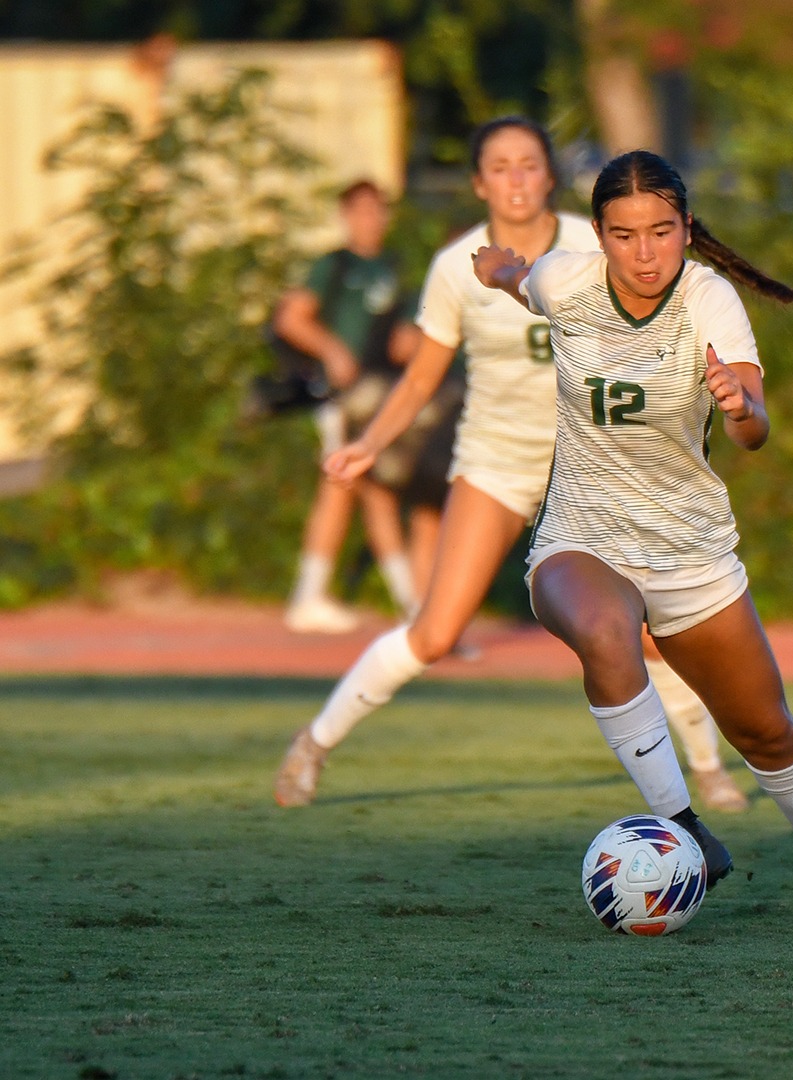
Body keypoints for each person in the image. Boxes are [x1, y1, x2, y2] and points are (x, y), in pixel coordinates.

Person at [468, 148, 793, 914]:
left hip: (688, 548)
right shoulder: (566, 280)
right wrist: (499, 267)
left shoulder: (708, 299)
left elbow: (755, 430)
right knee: (607, 629)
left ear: (687, 228)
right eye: (625, 234)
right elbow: (519, 280)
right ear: (600, 236)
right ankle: (682, 829)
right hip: (582, 534)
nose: (646, 252)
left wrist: (741, 408)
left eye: (663, 231)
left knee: (766, 733)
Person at [273, 120, 747, 815]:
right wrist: (370, 444)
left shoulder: (596, 242)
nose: (516, 179)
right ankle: (313, 744)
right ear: (478, 183)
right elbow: (418, 380)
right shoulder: (456, 264)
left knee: (646, 626)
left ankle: (707, 771)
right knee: (435, 633)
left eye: (529, 165)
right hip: (497, 462)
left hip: (592, 470)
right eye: (500, 167)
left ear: (548, 176)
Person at [276, 180, 418, 633]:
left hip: (377, 395)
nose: (370, 220)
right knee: (342, 484)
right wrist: (333, 351)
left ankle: (409, 603)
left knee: (376, 491)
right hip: (340, 398)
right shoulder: (333, 266)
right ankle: (310, 596)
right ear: (346, 216)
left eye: (377, 211)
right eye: (361, 211)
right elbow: (292, 317)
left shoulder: (394, 267)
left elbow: (401, 336)